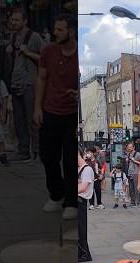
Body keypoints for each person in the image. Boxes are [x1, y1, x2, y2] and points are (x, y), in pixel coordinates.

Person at [34, 14, 79, 220]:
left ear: (71, 31)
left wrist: (78, 94)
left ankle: (71, 201)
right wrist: (37, 108)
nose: (55, 33)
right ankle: (56, 193)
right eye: (55, 29)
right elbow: (41, 79)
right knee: (47, 156)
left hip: (71, 115)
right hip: (50, 110)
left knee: (70, 161)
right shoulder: (48, 51)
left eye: (60, 29)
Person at [7, 9, 43, 163]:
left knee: (32, 119)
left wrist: (28, 53)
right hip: (16, 82)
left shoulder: (34, 37)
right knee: (18, 119)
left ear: (25, 21)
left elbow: (45, 58)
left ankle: (37, 151)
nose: (13, 23)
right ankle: (23, 151)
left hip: (30, 83)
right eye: (12, 20)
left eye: (16, 20)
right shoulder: (13, 37)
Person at [77, 148, 94, 262]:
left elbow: (83, 188)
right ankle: (79, 252)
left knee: (80, 229)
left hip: (81, 202)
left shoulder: (87, 170)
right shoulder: (80, 169)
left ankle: (84, 254)